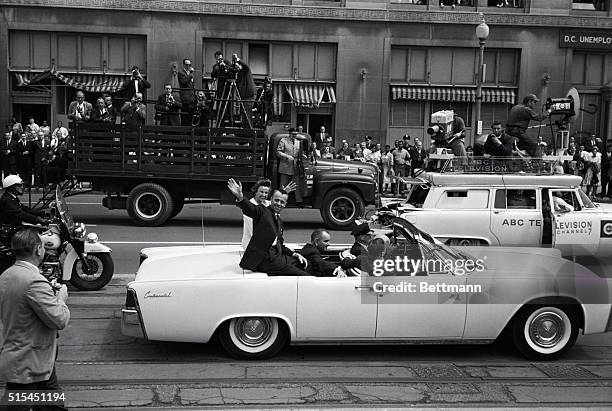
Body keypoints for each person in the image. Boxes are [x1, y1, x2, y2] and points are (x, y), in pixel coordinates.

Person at [0, 228, 70, 405]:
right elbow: (59, 319)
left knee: (52, 405)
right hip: (30, 365)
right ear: (38, 249)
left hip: (33, 363)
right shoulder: (33, 281)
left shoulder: (6, 275)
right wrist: (60, 298)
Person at [227, 178, 310, 276]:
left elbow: (274, 203)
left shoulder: (274, 215)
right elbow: (251, 209)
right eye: (261, 192)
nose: (263, 194)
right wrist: (240, 196)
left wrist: (295, 254)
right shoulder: (261, 210)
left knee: (305, 263)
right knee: (303, 275)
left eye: (282, 202)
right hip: (261, 253)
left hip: (275, 253)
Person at [241, 178, 271, 250]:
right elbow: (253, 231)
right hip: (251, 245)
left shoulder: (266, 203)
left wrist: (284, 192)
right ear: (255, 192)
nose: (264, 195)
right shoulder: (250, 207)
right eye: (261, 192)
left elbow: (276, 204)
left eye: (266, 193)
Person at [231, 54, 256, 122]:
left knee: (247, 111)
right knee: (244, 112)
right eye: (236, 67)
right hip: (243, 96)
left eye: (238, 66)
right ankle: (244, 125)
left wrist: (238, 60)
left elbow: (246, 66)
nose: (237, 67)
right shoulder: (239, 75)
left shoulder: (245, 71)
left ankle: (248, 127)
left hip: (249, 95)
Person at [177, 58, 196, 126]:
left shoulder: (190, 74)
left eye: (189, 65)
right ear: (184, 65)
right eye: (187, 65)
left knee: (191, 116)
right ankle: (184, 132)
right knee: (185, 116)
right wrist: (190, 75)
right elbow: (184, 82)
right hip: (185, 98)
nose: (188, 66)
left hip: (191, 98)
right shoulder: (181, 73)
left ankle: (190, 132)